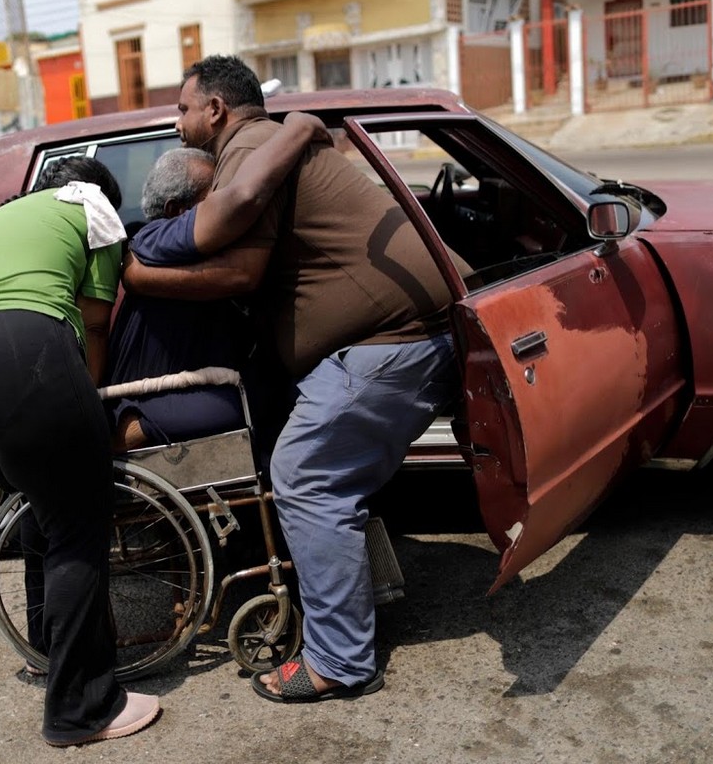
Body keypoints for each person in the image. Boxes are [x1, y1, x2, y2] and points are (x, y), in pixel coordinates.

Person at [123, 55, 465, 703]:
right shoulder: (264, 143)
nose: (176, 121)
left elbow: (243, 271)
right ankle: (357, 598)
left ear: (216, 111)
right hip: (402, 335)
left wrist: (135, 275)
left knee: (305, 477)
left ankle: (339, 661)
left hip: (387, 343)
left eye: (181, 108)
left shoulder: (248, 150)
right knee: (316, 468)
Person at [0, 156, 161, 747]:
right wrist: (90, 409)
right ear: (99, 193)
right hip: (24, 355)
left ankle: (45, 651)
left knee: (40, 508)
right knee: (79, 524)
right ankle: (81, 710)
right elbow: (95, 325)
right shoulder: (93, 211)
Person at [105, 114, 330, 451]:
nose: (222, 207)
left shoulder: (177, 253)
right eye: (214, 196)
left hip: (193, 388)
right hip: (149, 401)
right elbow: (241, 215)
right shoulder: (154, 238)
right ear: (176, 210)